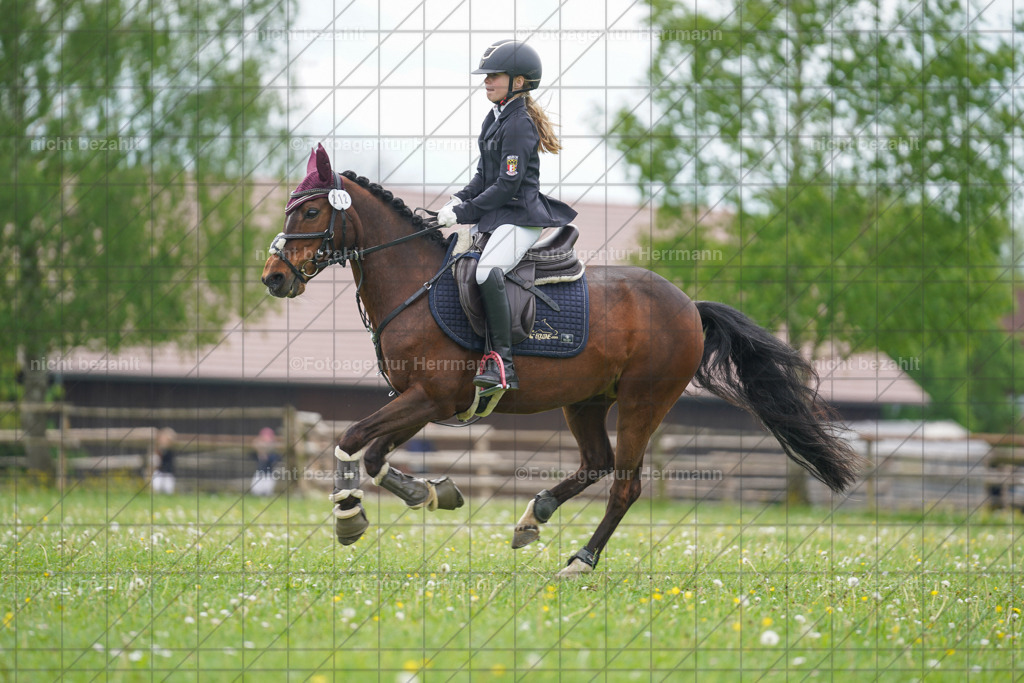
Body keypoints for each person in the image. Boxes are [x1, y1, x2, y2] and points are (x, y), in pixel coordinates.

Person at [437, 39, 577, 395]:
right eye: (486, 76)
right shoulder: (494, 118)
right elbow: (484, 177)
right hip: (498, 218)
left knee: (487, 270)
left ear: (519, 81)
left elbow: (507, 186)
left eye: (494, 76)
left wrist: (464, 212)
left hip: (520, 218)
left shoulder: (519, 124)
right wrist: (457, 199)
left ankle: (503, 362)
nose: (486, 81)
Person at [250, 427, 282, 497]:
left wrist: (267, 456)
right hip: (260, 473)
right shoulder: (257, 451)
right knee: (256, 490)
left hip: (269, 474)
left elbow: (275, 460)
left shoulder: (274, 452)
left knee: (267, 490)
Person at [150, 427, 177, 494]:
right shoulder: (157, 450)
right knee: (157, 489)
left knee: (168, 491)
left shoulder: (171, 449)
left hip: (168, 473)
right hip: (159, 473)